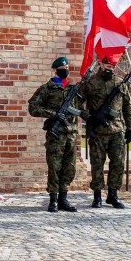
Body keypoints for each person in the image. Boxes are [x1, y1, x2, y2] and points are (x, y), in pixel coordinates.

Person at [28, 56, 89, 212]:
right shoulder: (46, 88)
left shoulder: (73, 89)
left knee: (70, 167)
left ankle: (64, 198)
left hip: (71, 134)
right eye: (62, 68)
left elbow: (80, 109)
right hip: (56, 134)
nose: (65, 70)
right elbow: (33, 108)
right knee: (54, 166)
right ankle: (53, 199)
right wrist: (53, 114)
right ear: (55, 70)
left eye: (67, 67)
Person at [79, 53, 131, 209]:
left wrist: (130, 127)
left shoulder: (120, 83)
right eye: (108, 66)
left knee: (118, 163)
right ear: (100, 64)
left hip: (117, 130)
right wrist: (88, 117)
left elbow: (127, 107)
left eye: (113, 66)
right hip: (98, 131)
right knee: (97, 164)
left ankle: (113, 194)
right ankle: (97, 195)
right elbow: (77, 103)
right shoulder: (90, 83)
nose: (110, 69)